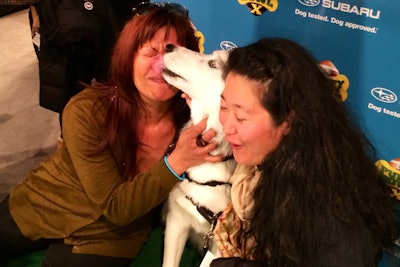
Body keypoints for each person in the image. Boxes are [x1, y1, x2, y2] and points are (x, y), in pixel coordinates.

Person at [0, 4, 222, 266]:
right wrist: (177, 161)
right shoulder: (87, 111)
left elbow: (118, 215)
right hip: (47, 204)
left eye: (175, 53)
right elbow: (112, 203)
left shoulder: (192, 120)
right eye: (150, 51)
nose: (162, 64)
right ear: (128, 57)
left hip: (115, 235)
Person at [210, 38, 397, 267]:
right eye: (224, 107)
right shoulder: (263, 167)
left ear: (288, 120)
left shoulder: (333, 213)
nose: (227, 128)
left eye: (241, 117)